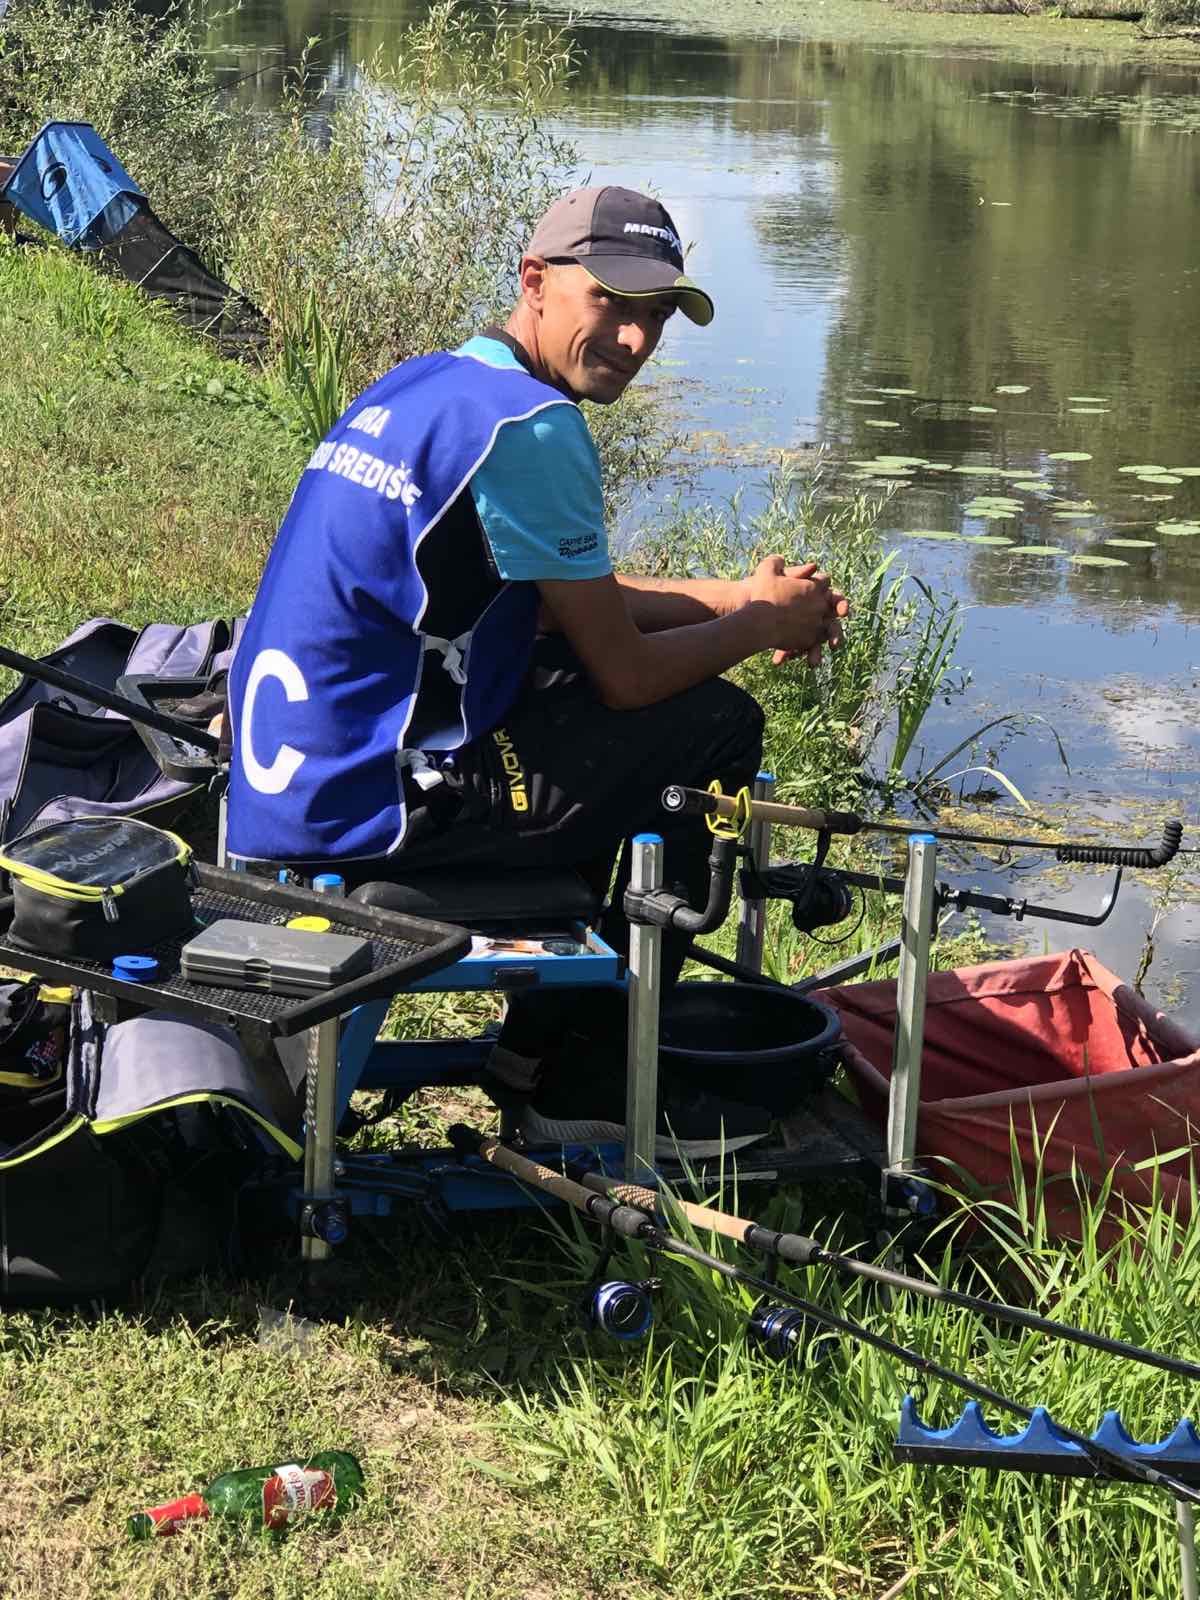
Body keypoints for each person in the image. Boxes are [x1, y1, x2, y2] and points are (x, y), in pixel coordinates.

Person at [226, 185, 847, 1147]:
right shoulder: (537, 429)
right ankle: (583, 1091)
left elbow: (566, 600)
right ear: (537, 282)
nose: (636, 342)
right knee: (709, 726)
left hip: (295, 775)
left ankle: (535, 1055)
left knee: (598, 722)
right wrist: (763, 629)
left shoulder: (430, 387)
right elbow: (626, 676)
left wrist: (736, 598)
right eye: (614, 305)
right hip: (375, 806)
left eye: (655, 319)